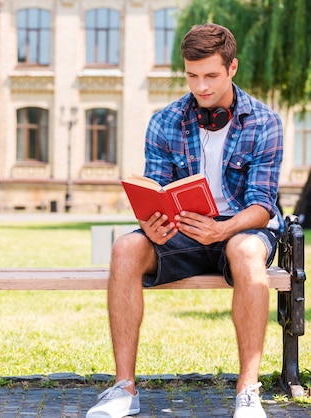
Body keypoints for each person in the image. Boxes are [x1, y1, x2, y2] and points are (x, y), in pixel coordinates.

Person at [86, 23, 283, 418]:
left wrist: (224, 228)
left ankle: (248, 391)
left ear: (232, 68)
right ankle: (124, 389)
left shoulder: (265, 122)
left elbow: (263, 203)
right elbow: (155, 190)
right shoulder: (165, 121)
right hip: (183, 231)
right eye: (192, 76)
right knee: (126, 247)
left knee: (245, 251)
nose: (201, 87)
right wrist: (152, 224)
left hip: (241, 229)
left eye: (211, 75)